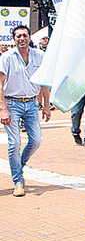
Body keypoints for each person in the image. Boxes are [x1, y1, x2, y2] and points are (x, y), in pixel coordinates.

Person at [0, 25, 50, 196]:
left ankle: (20, 165)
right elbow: (0, 83)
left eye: (25, 35)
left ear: (30, 37)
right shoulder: (7, 57)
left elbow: (44, 82)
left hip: (31, 104)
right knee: (14, 143)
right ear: (14, 39)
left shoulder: (40, 56)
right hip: (12, 103)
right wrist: (3, 109)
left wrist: (46, 105)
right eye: (18, 36)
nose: (22, 38)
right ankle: (18, 181)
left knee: (36, 141)